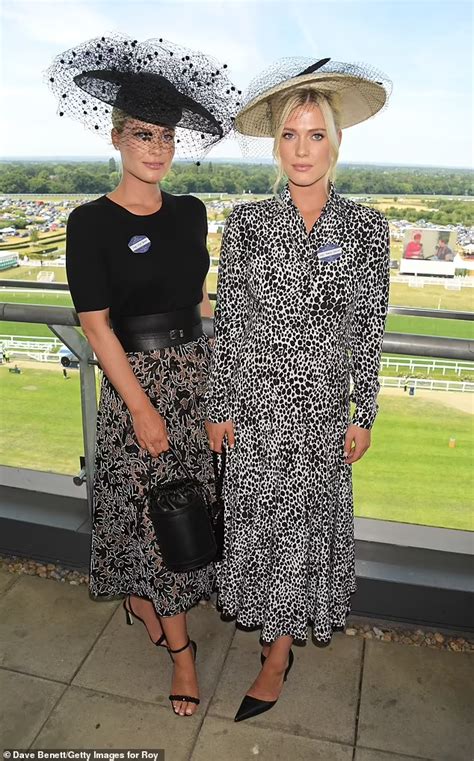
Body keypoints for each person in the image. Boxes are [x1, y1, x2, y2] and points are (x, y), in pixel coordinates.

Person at [47, 33, 239, 717]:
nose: (157, 148)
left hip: (198, 374)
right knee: (158, 517)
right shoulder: (89, 222)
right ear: (117, 137)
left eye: (167, 137)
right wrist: (142, 409)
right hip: (138, 383)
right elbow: (97, 325)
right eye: (143, 134)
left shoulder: (191, 212)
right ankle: (182, 655)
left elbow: (198, 300)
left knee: (190, 509)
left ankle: (147, 597)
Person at [205, 56, 391, 722]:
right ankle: (275, 638)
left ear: (335, 143)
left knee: (302, 533)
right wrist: (220, 405)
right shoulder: (248, 224)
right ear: (275, 145)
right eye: (290, 135)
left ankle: (277, 655)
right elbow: (228, 321)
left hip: (319, 419)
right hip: (255, 413)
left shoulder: (366, 228)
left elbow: (369, 327)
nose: (302, 149)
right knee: (263, 530)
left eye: (315, 134)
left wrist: (364, 412)